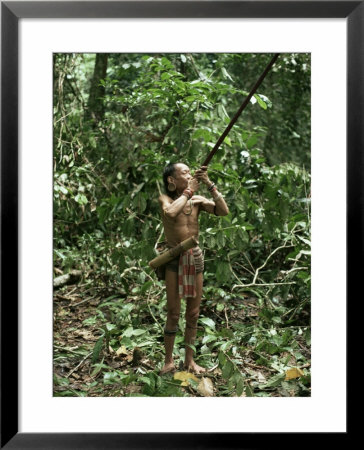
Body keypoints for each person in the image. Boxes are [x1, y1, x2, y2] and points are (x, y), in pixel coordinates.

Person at [158, 162, 229, 375]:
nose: (189, 175)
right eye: (184, 173)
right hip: (173, 258)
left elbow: (223, 211)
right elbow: (171, 213)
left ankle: (190, 360)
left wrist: (209, 184)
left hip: (194, 257)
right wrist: (190, 192)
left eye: (191, 172)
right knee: (173, 312)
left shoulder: (197, 200)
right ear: (172, 180)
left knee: (194, 313)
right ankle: (168, 361)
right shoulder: (166, 199)